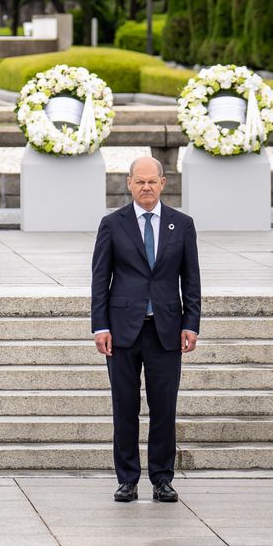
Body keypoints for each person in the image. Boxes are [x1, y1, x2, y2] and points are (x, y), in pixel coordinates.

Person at [91, 156, 201, 503]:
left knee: (164, 407)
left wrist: (191, 323)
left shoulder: (181, 225)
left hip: (166, 330)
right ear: (129, 184)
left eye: (152, 181)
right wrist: (100, 326)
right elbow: (100, 280)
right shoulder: (113, 224)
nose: (146, 188)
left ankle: (162, 478)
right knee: (125, 406)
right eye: (139, 182)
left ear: (163, 183)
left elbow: (192, 279)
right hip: (123, 331)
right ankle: (127, 478)